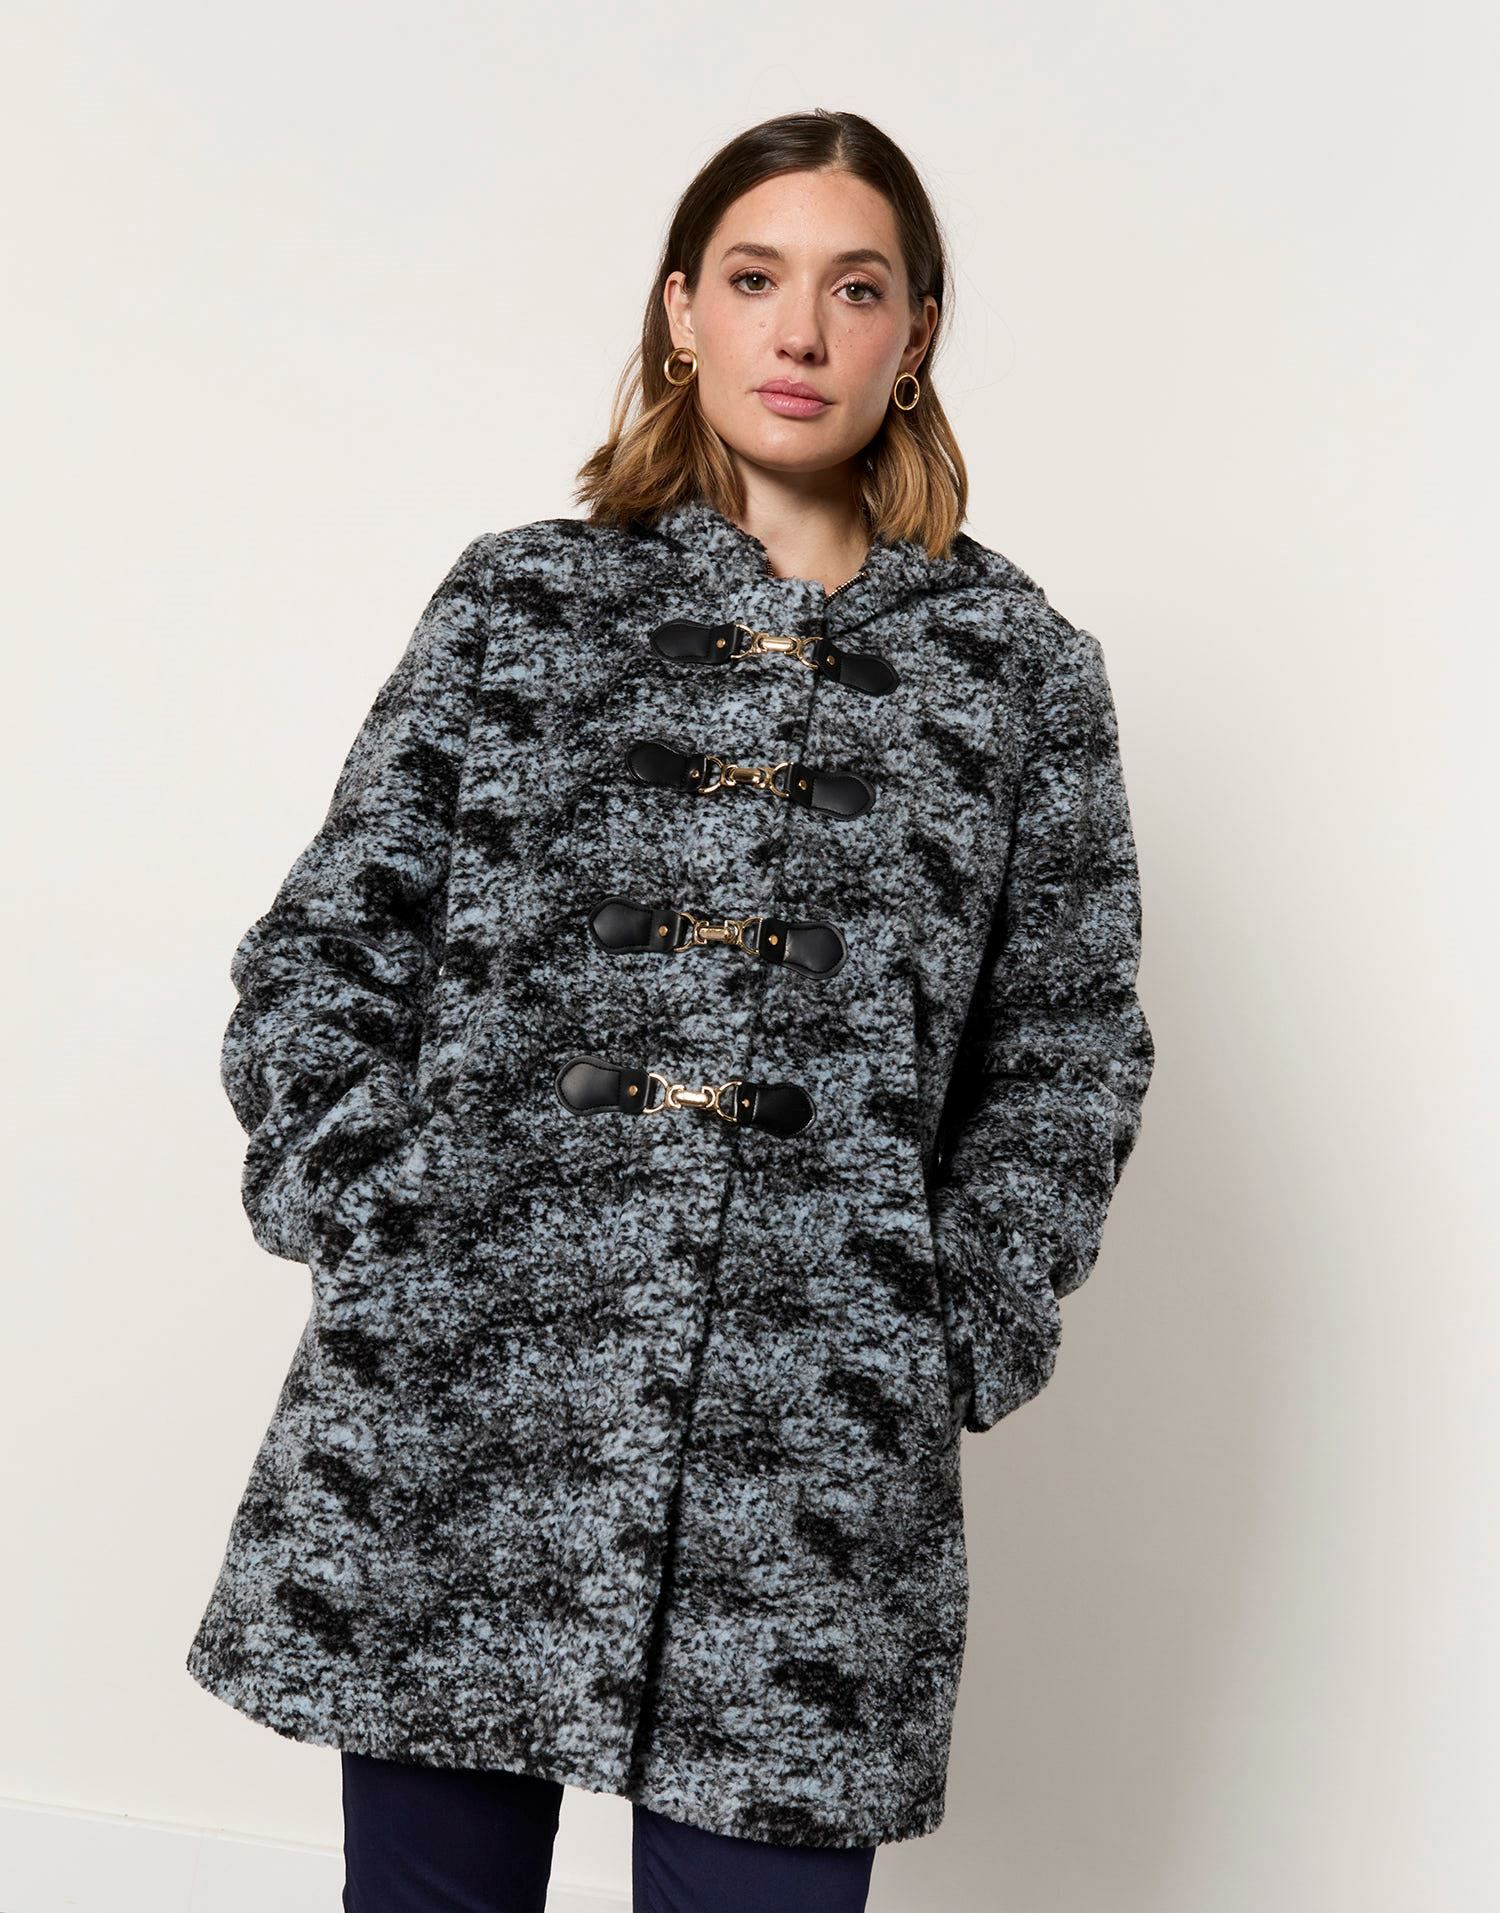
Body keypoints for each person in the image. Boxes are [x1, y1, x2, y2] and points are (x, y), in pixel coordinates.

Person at [186, 108, 1156, 1913]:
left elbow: (1069, 1047)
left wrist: (944, 1325)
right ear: (681, 309)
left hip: (810, 1441)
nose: (800, 330)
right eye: (756, 277)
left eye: (854, 288)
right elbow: (323, 951)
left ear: (916, 331)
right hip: (467, 1389)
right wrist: (387, 1222)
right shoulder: (522, 605)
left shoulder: (1019, 671)